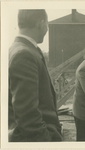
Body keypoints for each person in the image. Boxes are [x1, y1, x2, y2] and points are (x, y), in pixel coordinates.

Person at [8, 10, 62, 142]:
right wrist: (45, 139)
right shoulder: (24, 54)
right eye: (47, 25)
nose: (47, 29)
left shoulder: (18, 49)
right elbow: (27, 114)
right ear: (41, 23)